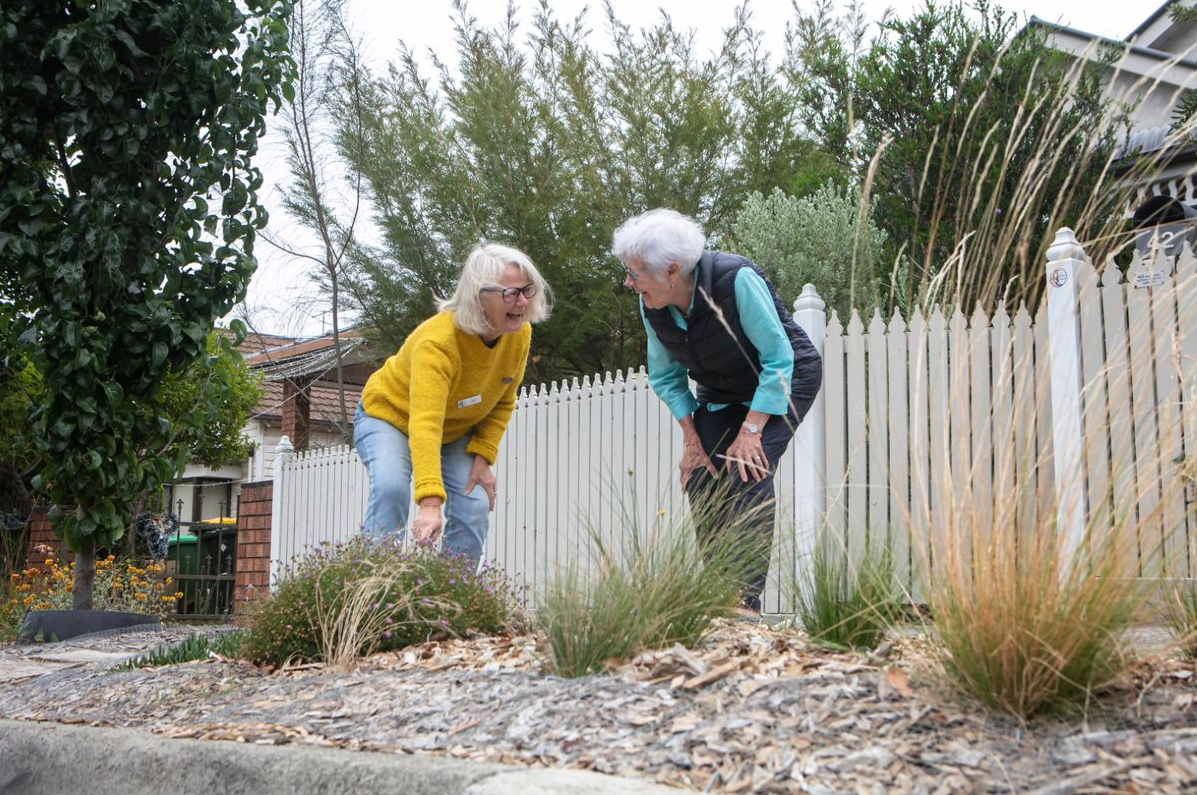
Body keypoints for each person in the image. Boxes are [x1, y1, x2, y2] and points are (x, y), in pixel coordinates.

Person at [612, 208, 822, 613]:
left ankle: (744, 605)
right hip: (723, 392)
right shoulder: (652, 304)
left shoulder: (733, 280)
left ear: (672, 270)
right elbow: (667, 378)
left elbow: (779, 359)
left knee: (746, 468)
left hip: (786, 378)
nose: (628, 281)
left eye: (635, 273)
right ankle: (717, 598)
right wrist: (692, 438)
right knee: (700, 474)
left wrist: (753, 431)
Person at [354, 243, 551, 563]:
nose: (524, 302)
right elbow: (425, 422)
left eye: (528, 290)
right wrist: (430, 503)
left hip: (453, 427)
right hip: (390, 415)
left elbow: (503, 398)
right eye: (512, 293)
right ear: (479, 295)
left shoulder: (519, 333)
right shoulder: (438, 343)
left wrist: (483, 455)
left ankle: (447, 601)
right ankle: (370, 593)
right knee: (392, 489)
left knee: (474, 505)